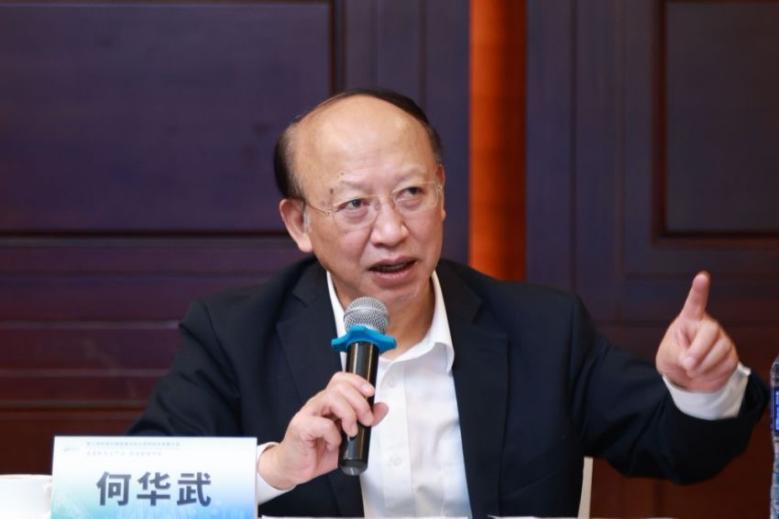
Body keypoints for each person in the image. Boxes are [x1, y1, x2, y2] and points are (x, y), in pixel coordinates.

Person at [130, 89, 768, 518]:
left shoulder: (543, 330)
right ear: (299, 223)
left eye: (411, 193)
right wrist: (274, 468)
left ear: (441, 194)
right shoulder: (234, 335)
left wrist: (702, 389)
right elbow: (129, 494)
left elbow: (681, 450)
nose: (390, 231)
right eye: (355, 205)